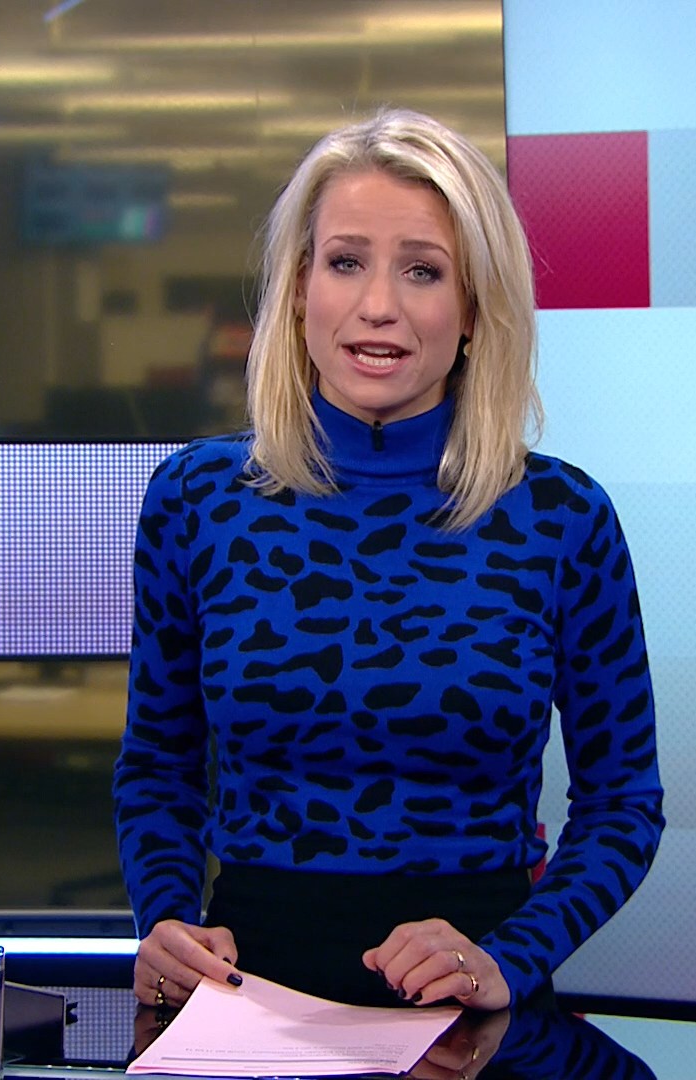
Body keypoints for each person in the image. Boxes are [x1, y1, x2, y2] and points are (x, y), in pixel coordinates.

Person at [114, 108, 663, 1013]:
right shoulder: (199, 499)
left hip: (471, 998)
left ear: (475, 308)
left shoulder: (563, 518)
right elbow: (158, 769)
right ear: (299, 289)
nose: (379, 305)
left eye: (422, 270)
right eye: (345, 262)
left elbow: (623, 804)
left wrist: (512, 957)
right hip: (247, 995)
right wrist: (167, 918)